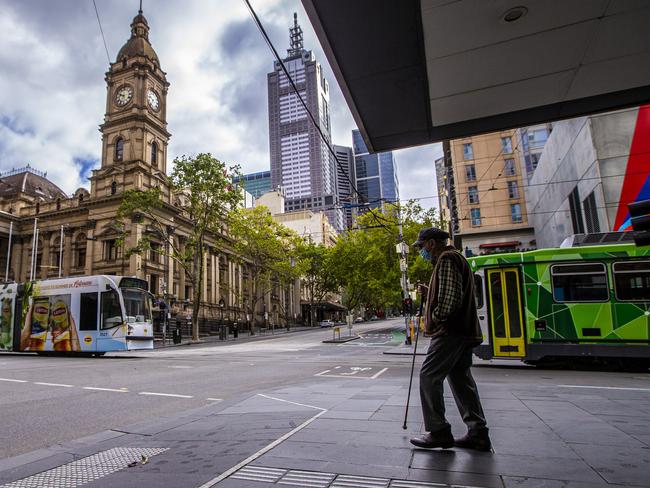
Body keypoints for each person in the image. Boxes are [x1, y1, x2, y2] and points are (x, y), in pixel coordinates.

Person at [409, 227, 491, 451]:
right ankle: (478, 432)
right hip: (462, 331)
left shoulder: (446, 260)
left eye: (422, 246)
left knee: (429, 375)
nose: (422, 251)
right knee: (460, 378)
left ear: (432, 243)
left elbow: (449, 302)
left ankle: (438, 431)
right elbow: (451, 292)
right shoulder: (456, 258)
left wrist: (434, 317)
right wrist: (431, 292)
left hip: (450, 332)